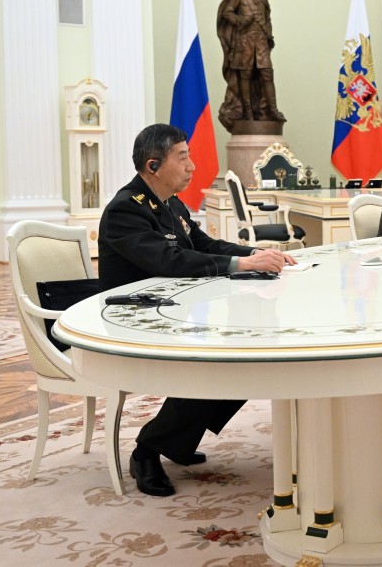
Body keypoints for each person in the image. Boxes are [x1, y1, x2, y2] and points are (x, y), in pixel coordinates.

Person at [99, 123, 296, 496]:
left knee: (247, 352)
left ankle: (175, 441)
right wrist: (243, 267)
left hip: (169, 311)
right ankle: (147, 451)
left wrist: (255, 255)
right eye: (183, 157)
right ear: (154, 165)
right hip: (131, 323)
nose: (192, 166)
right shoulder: (127, 209)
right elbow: (170, 260)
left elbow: (205, 244)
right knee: (217, 359)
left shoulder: (170, 203)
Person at [216, 0, 285, 132]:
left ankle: (272, 109)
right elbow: (227, 13)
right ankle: (247, 111)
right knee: (245, 75)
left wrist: (269, 36)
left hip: (261, 41)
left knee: (267, 74)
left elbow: (267, 19)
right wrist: (241, 20)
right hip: (245, 40)